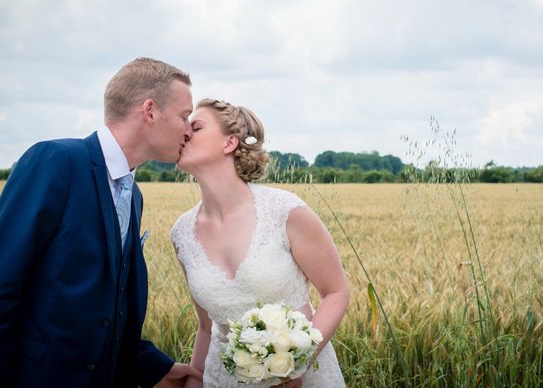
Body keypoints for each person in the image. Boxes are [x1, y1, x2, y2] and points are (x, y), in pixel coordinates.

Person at [0, 58, 203, 387]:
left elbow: (105, 310)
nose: (188, 129)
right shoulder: (57, 162)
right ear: (150, 111)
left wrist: (152, 367)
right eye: (184, 115)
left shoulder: (133, 195)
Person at [171, 99, 350, 388]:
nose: (184, 132)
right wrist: (196, 381)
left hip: (302, 379)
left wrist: (299, 363)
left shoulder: (286, 211)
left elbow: (336, 291)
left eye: (197, 126)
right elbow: (206, 327)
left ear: (229, 143)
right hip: (224, 379)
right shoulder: (181, 233)